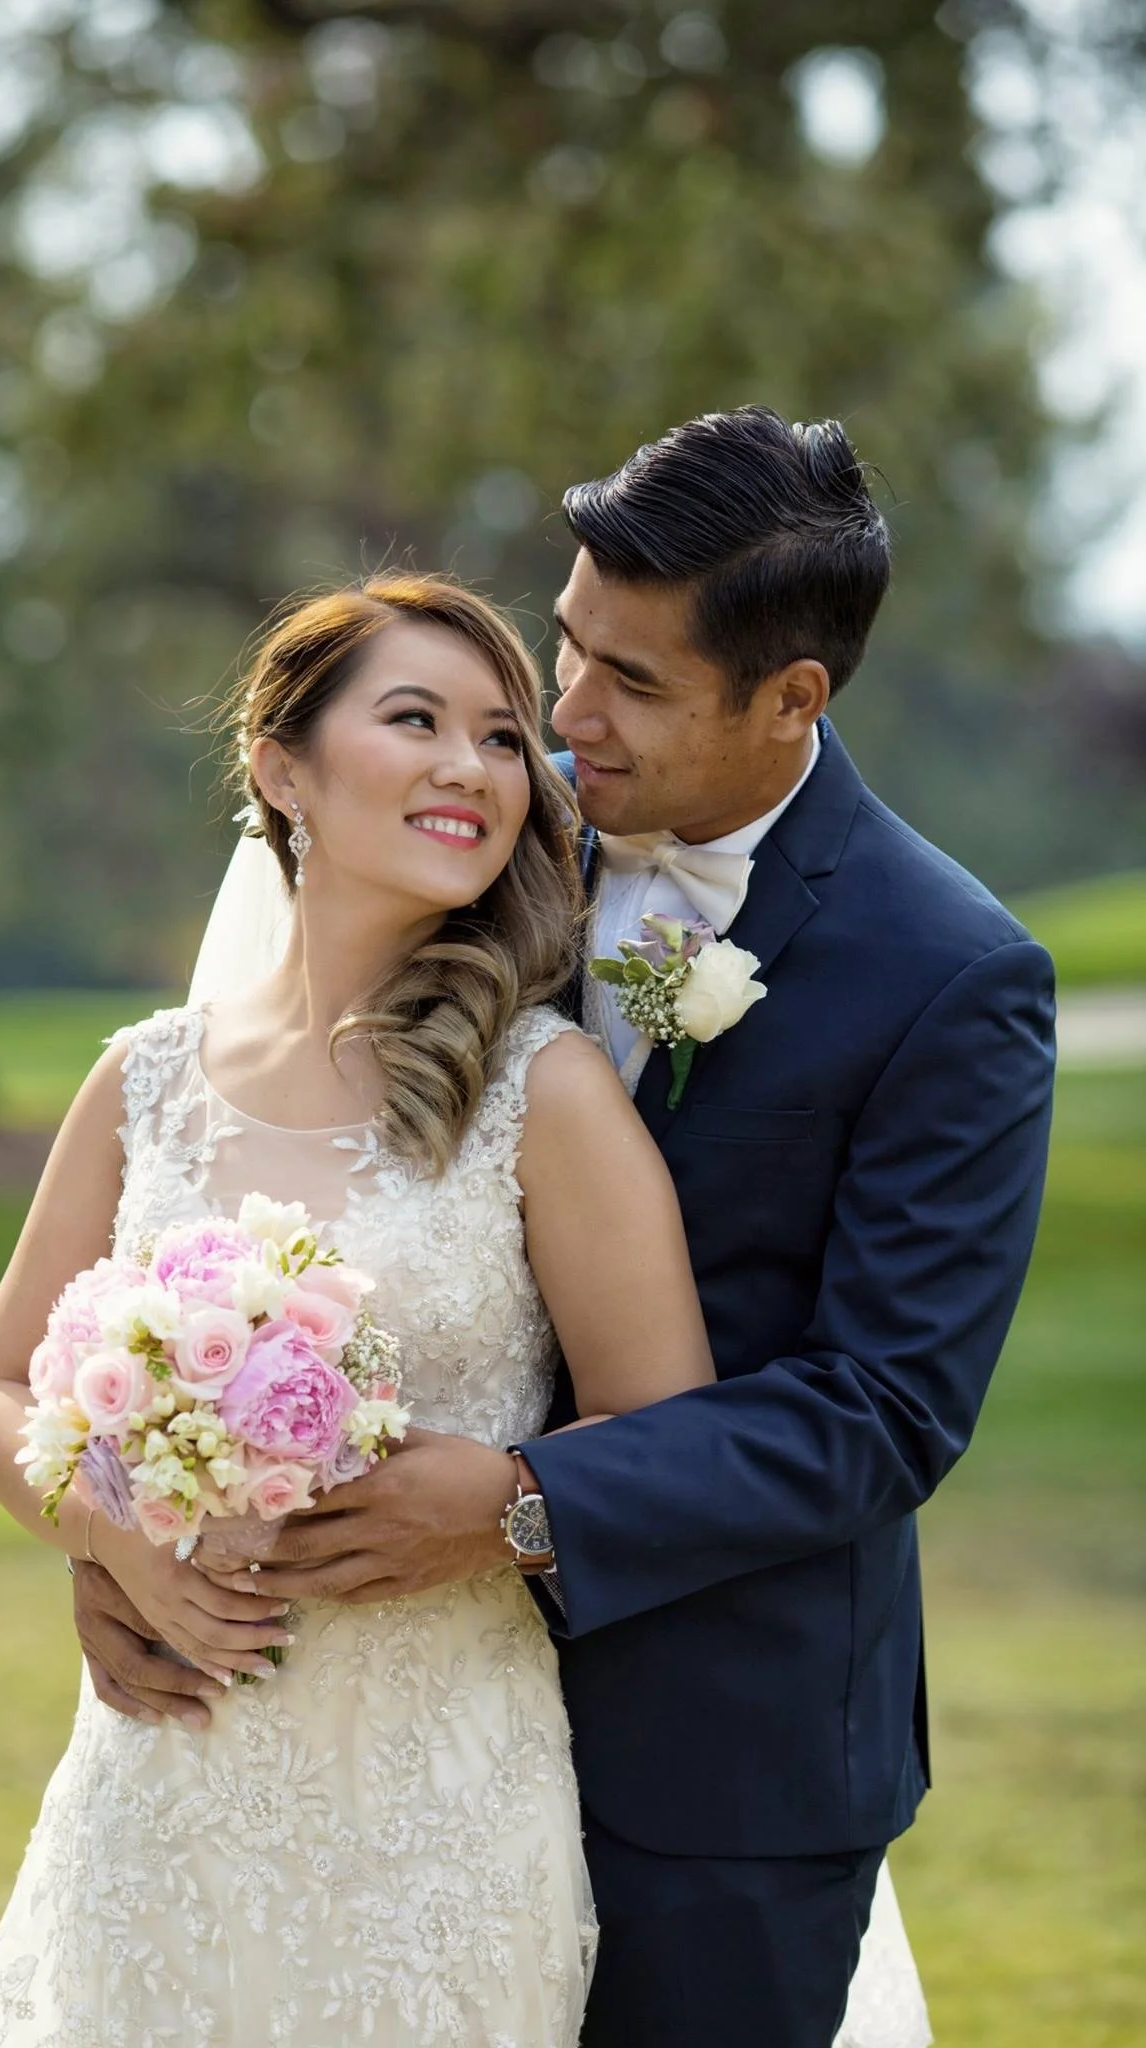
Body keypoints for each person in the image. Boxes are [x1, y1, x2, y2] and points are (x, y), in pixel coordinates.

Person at [74, 408, 1056, 2047]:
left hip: (719, 1757)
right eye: (568, 645)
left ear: (793, 697)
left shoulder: (950, 976)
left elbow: (884, 1412)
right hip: (352, 1716)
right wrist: (147, 1522)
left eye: (637, 685)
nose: (563, 721)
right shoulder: (473, 840)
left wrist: (524, 1506)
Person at [0, 573, 737, 2044]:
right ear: (280, 765)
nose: (471, 765)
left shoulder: (542, 1092)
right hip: (164, 1787)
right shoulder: (144, 1081)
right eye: (415, 720)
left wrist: (504, 1503)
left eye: (505, 738)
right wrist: (111, 1541)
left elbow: (671, 1440)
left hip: (433, 1806)